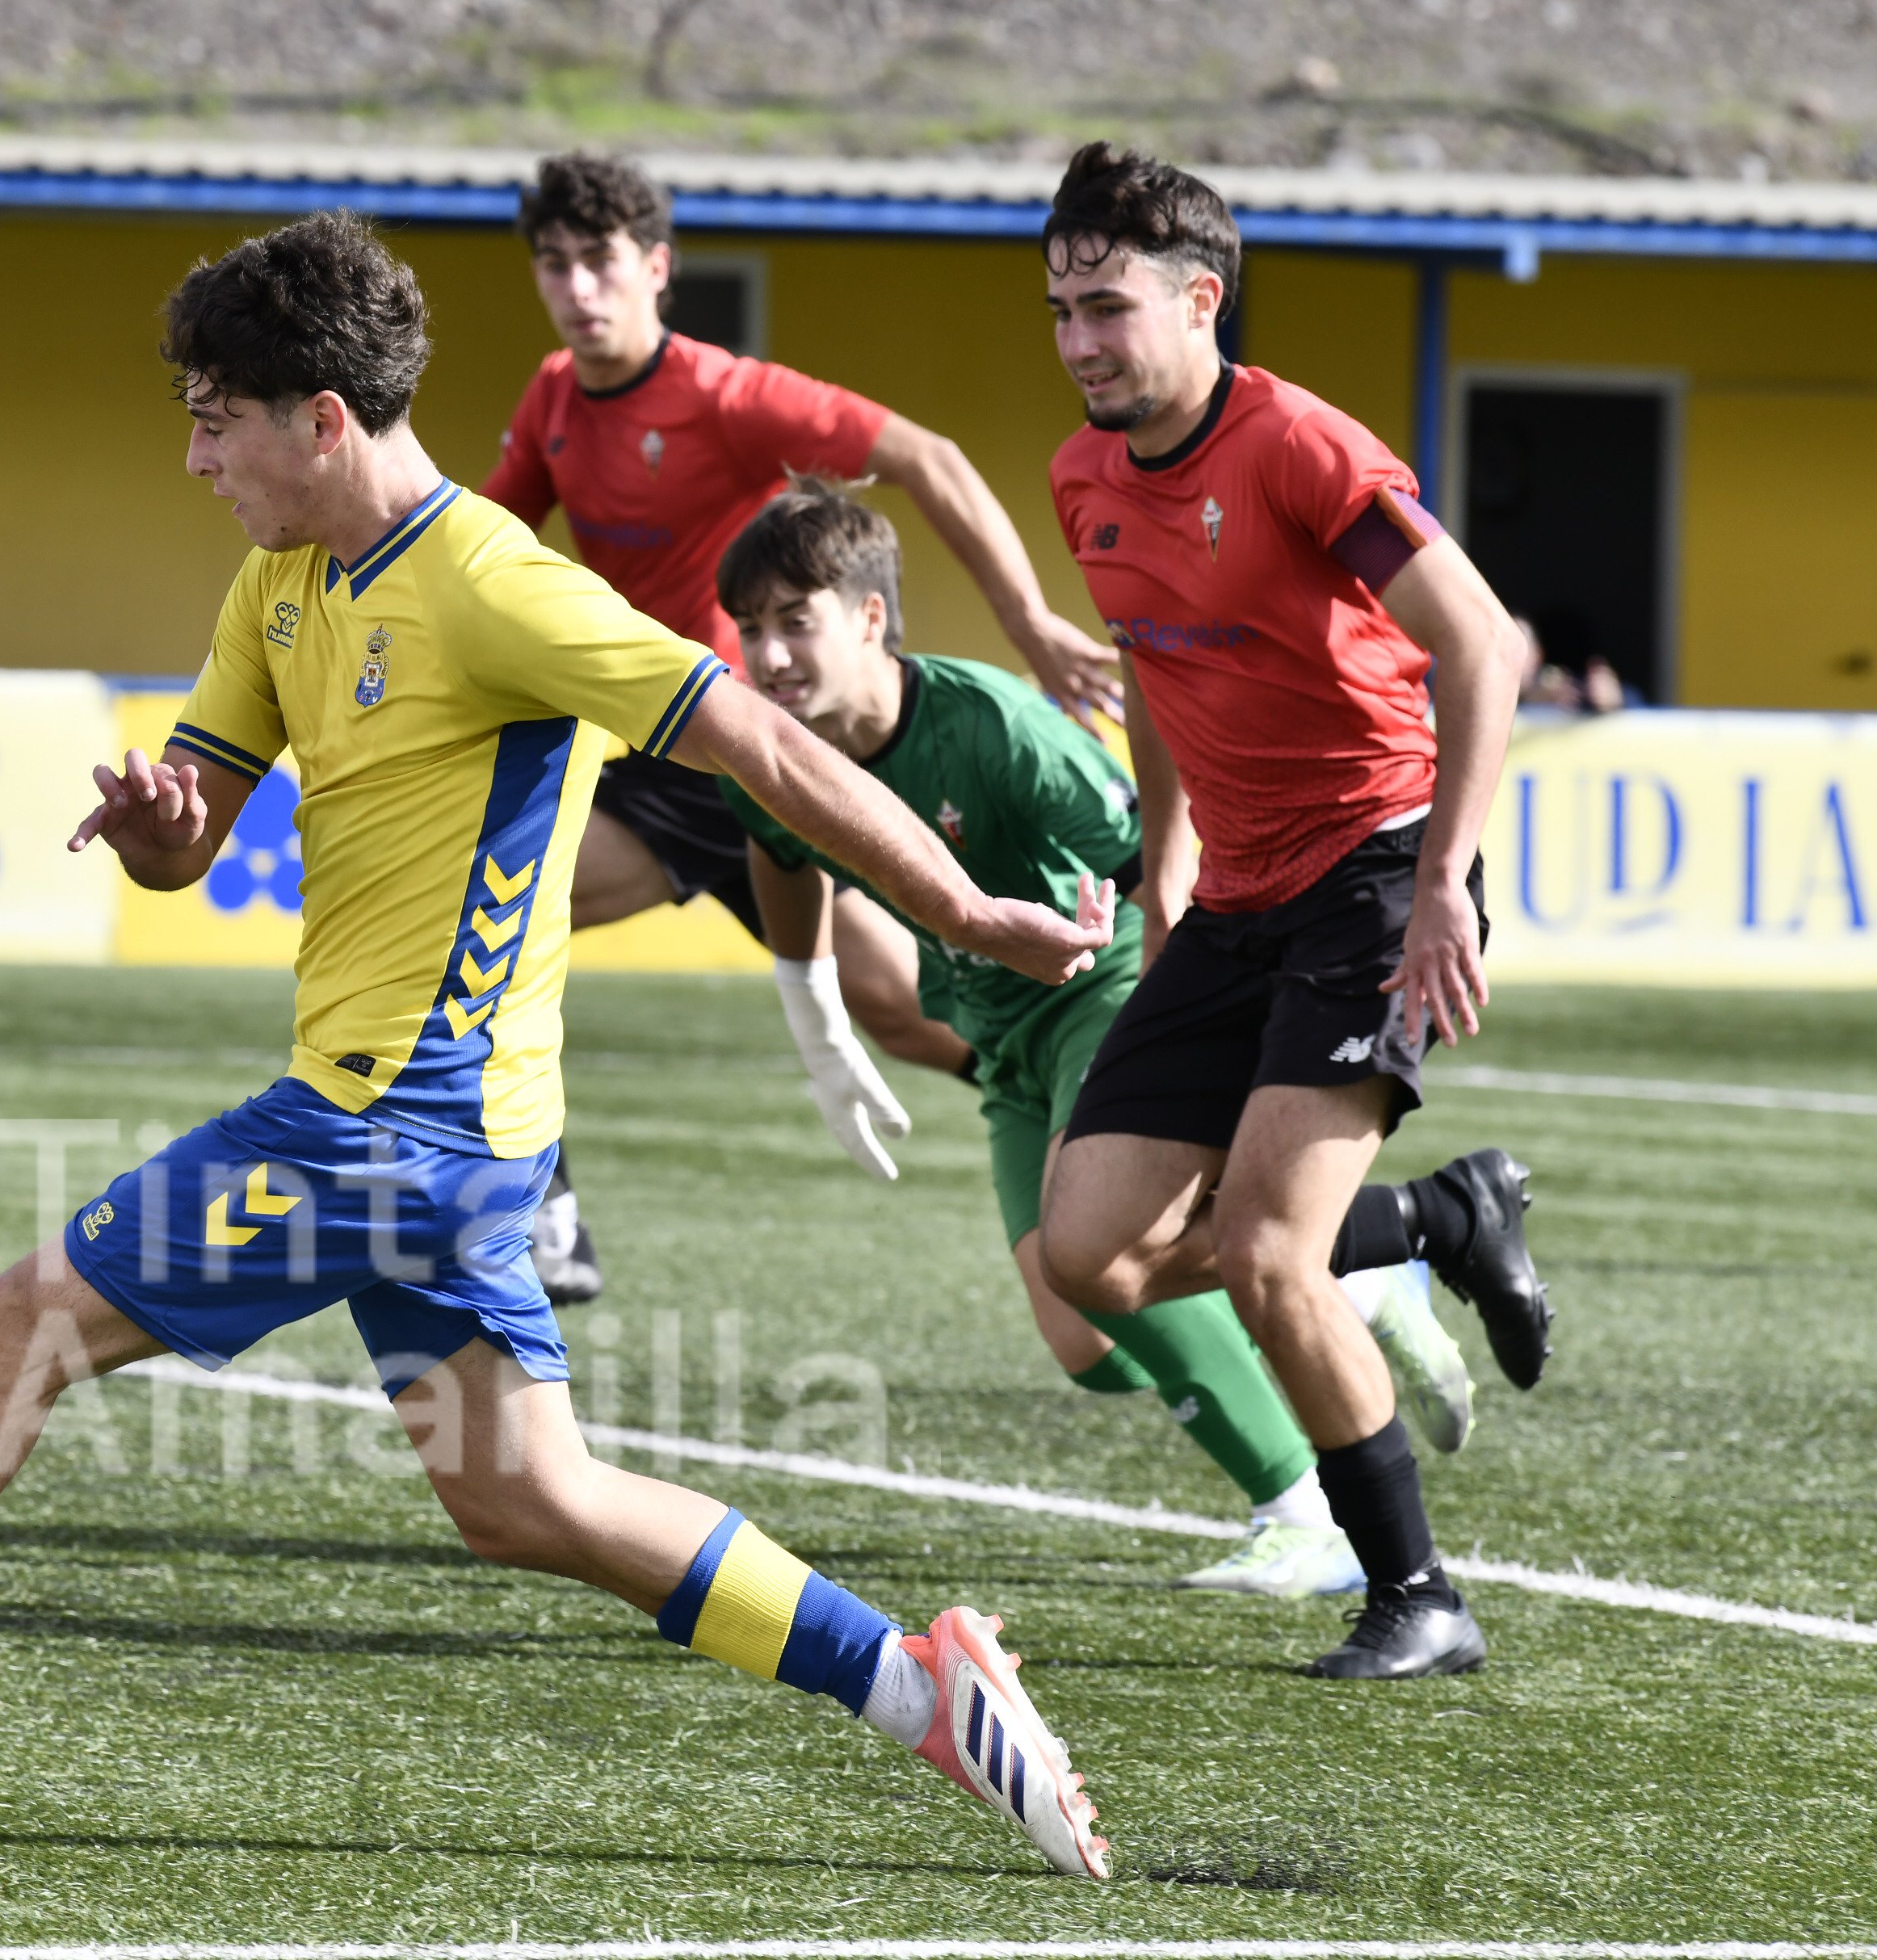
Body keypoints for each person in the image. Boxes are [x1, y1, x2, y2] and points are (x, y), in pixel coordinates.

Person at [0, 211, 1116, 1880]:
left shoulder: (494, 583)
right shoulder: (282, 581)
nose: (195, 459)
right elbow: (193, 830)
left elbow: (757, 738)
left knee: (12, 1327)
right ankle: (918, 1686)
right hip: (449, 1139)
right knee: (529, 1499)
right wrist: (160, 828)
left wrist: (965, 912)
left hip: (391, 1124)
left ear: (323, 420)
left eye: (216, 421)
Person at [716, 477, 1520, 1596]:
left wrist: (1178, 1035)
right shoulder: (767, 750)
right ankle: (1384, 1259)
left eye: (793, 622)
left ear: (869, 617)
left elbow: (1153, 866)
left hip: (1103, 991)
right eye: (750, 628)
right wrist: (820, 1034)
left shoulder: (996, 729)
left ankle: (1304, 1511)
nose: (768, 655)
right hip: (1005, 1040)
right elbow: (781, 853)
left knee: (1101, 1259)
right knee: (1085, 1341)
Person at [1027, 145, 1556, 1681]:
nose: (1078, 342)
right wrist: (1162, 865)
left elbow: (1484, 646)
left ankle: (1419, 1596)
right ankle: (1442, 1220)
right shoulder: (1083, 478)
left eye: (1108, 309)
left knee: (1267, 1255)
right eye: (1060, 311)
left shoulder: (1302, 449)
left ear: (1203, 302)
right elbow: (1152, 667)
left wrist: (1444, 881)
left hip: (1377, 873)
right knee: (1089, 1255)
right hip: (1237, 897)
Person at [481, 151, 1119, 1298]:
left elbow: (927, 458)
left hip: (759, 755)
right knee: (489, 911)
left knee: (903, 1012)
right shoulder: (552, 399)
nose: (576, 288)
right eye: (554, 263)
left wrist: (1028, 619)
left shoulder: (724, 395)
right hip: (660, 762)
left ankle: (1136, 1131)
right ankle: (546, 1215)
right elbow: (484, 553)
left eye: (600, 261)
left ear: (657, 268)